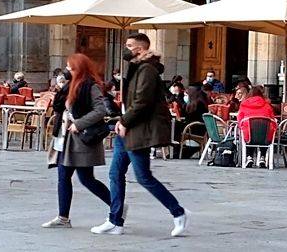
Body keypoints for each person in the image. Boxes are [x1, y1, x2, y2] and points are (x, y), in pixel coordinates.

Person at [94, 33, 186, 237]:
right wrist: (122, 119)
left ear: (141, 49)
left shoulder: (147, 70)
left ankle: (178, 212)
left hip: (138, 130)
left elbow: (142, 102)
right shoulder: (137, 68)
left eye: (129, 45)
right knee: (115, 173)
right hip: (126, 128)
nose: (125, 49)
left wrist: (125, 121)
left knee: (143, 176)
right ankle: (115, 220)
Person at [42, 54, 112, 230]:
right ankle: (63, 217)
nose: (68, 71)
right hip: (65, 137)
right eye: (67, 68)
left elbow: (101, 110)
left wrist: (79, 124)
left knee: (86, 179)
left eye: (71, 68)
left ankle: (116, 206)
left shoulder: (91, 86)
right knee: (63, 176)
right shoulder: (70, 85)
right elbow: (59, 105)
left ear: (80, 68)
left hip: (81, 138)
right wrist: (61, 88)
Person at [237, 85, 276, 168]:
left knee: (247, 132)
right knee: (265, 131)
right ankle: (262, 157)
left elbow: (239, 120)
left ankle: (249, 157)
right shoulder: (267, 105)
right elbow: (272, 119)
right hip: (265, 136)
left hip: (248, 135)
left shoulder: (244, 105)